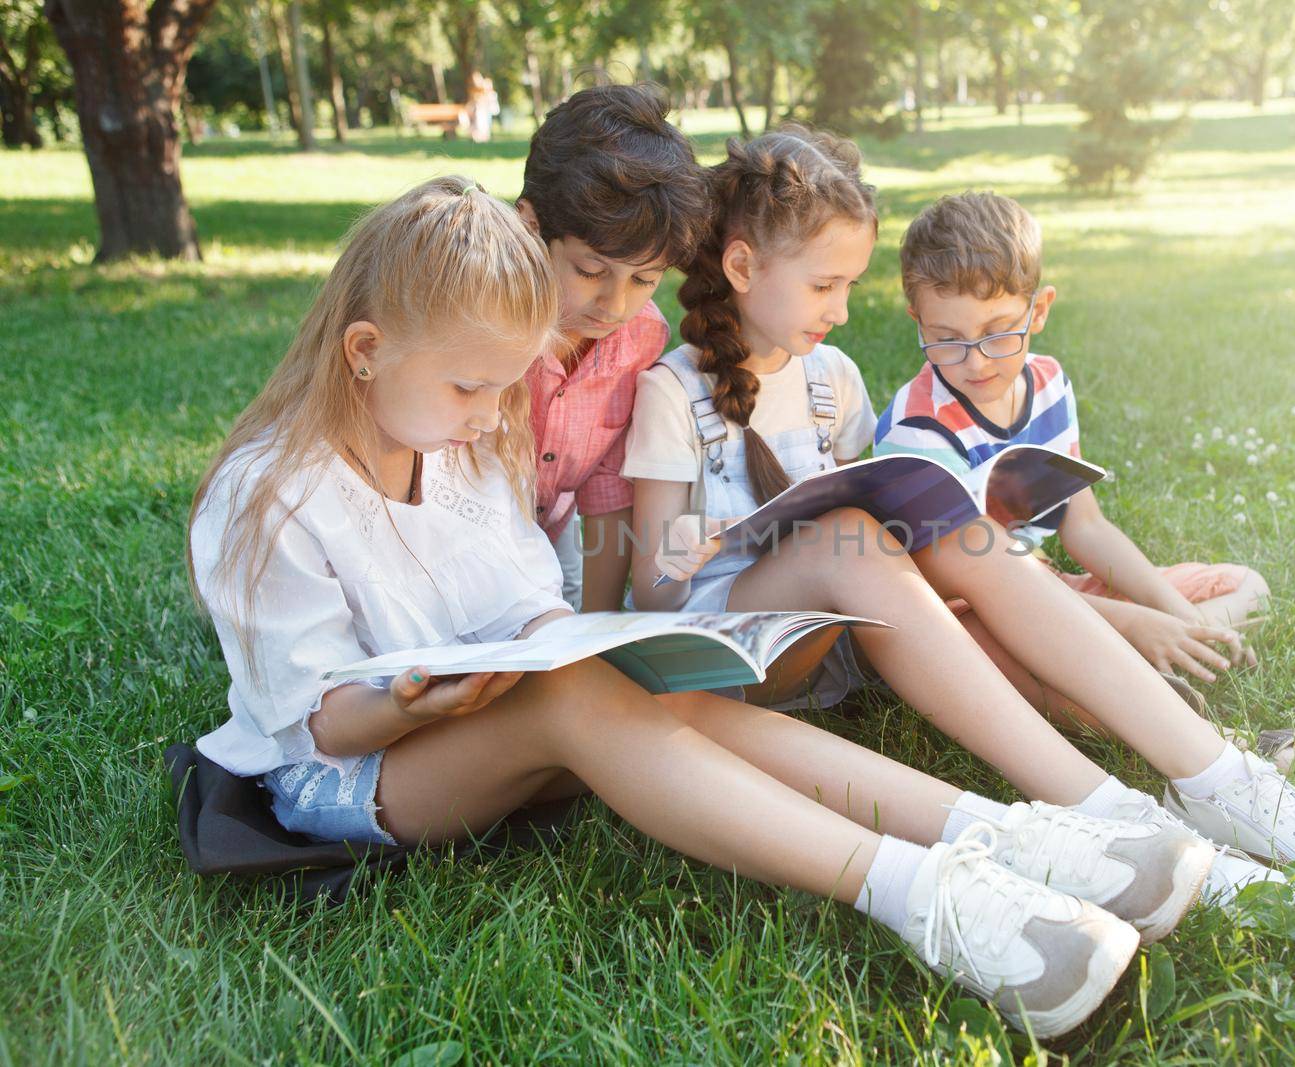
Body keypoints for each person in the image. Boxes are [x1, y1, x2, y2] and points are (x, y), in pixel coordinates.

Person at [184, 174, 1208, 1039]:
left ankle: (1011, 834)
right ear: (364, 350)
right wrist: (420, 699)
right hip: (345, 767)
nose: (496, 415)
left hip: (474, 701)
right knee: (571, 700)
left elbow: (521, 602)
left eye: (507, 387)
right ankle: (929, 897)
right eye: (468, 388)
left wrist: (566, 639)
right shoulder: (271, 494)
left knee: (627, 683)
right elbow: (315, 722)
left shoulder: (459, 448)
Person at [624, 129, 1295, 889]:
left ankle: (1219, 778)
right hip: (727, 657)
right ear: (742, 266)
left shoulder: (834, 377)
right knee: (849, 537)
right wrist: (686, 544)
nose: (845, 310)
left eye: (852, 286)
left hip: (832, 641)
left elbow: (870, 518)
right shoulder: (672, 391)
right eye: (826, 285)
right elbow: (656, 596)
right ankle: (1108, 809)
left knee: (950, 528)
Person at [876, 191, 1295, 823]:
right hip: (967, 618)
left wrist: (1176, 617)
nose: (974, 361)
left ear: (1040, 309)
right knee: (1058, 686)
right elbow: (945, 588)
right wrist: (1132, 625)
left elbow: (1084, 524)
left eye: (998, 333)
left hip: (1056, 588)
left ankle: (1171, 658)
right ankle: (1262, 758)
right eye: (945, 340)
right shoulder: (918, 429)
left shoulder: (1048, 383)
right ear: (917, 322)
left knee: (1245, 588)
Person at [514, 83, 707, 611]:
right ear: (530, 224)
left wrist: (598, 627)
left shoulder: (641, 338)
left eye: (644, 279)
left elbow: (606, 490)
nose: (614, 304)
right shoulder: (481, 325)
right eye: (590, 271)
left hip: (551, 543)